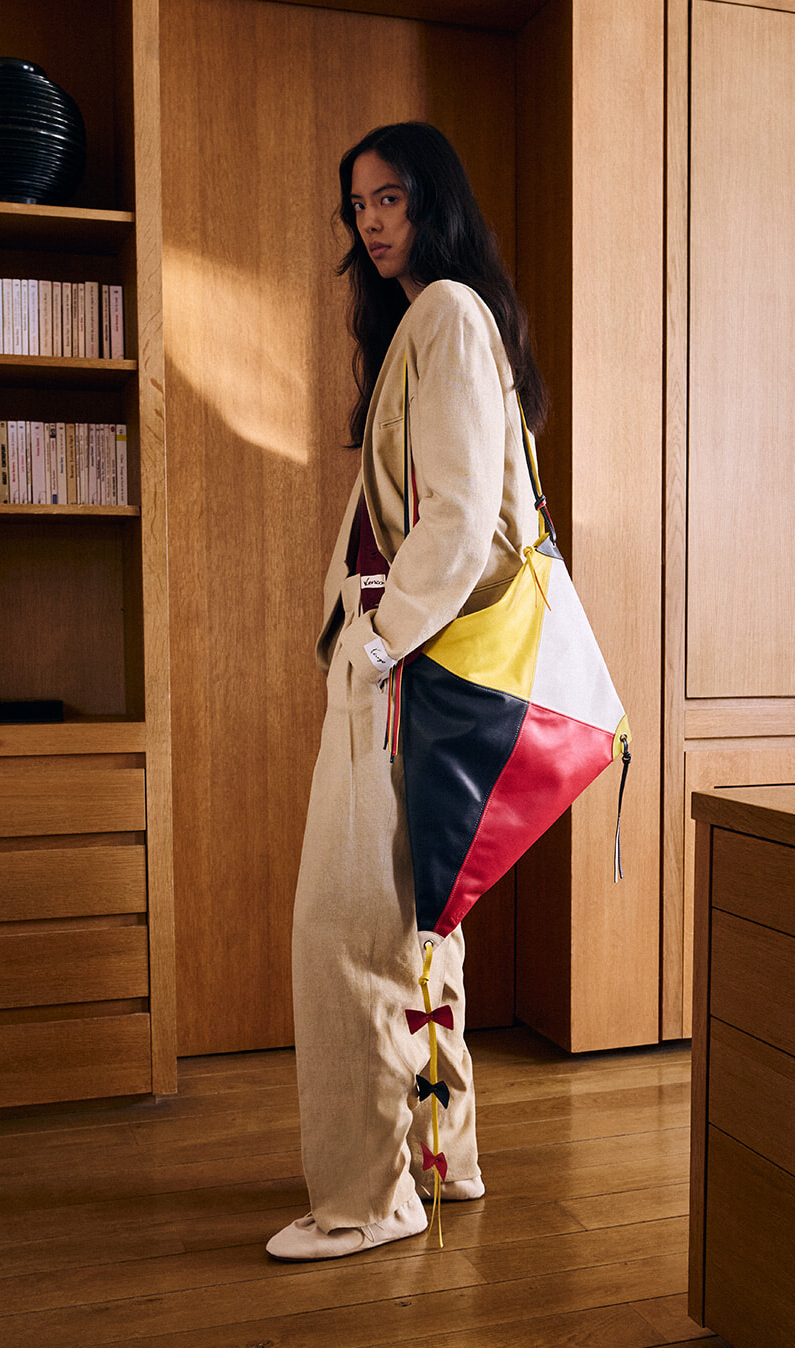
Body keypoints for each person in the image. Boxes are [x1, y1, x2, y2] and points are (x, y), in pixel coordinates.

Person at [266, 121, 549, 1261]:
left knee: (347, 931)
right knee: (419, 924)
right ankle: (443, 1160)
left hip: (399, 673)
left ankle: (365, 1198)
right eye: (358, 206)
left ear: (436, 198)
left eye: (390, 197)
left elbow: (464, 508)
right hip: (415, 671)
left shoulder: (445, 315)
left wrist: (380, 641)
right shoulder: (449, 319)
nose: (372, 221)